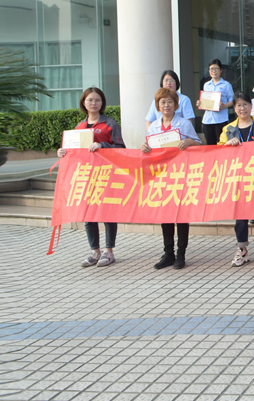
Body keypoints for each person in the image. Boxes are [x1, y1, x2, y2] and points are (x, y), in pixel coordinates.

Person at [56, 87, 125, 268]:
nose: (94, 103)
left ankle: (109, 251)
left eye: (97, 100)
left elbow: (121, 148)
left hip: (106, 174)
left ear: (102, 103)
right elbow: (74, 152)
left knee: (107, 212)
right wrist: (63, 152)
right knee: (88, 213)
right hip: (85, 176)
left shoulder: (110, 124)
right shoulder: (79, 127)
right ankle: (94, 250)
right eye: (90, 100)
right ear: (84, 103)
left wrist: (102, 145)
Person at [142, 87, 202, 270]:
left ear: (176, 105)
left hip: (180, 174)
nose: (166, 105)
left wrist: (189, 142)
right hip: (162, 176)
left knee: (181, 215)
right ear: (157, 106)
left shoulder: (183, 124)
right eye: (163, 102)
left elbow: (199, 144)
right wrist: (145, 148)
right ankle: (168, 253)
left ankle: (181, 253)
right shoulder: (154, 126)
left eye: (170, 102)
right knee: (166, 215)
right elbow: (149, 149)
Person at [217, 91, 254, 267]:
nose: (242, 108)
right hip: (238, 178)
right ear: (234, 108)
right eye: (239, 105)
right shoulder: (228, 130)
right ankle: (242, 250)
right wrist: (228, 145)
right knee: (240, 217)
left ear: (251, 106)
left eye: (245, 104)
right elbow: (218, 152)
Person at [197, 59, 234, 146]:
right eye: (211, 69)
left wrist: (224, 105)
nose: (213, 71)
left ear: (221, 70)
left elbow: (232, 100)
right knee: (210, 146)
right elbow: (206, 99)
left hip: (221, 119)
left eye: (216, 69)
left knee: (222, 144)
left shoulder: (226, 85)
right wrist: (200, 103)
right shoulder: (206, 85)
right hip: (207, 120)